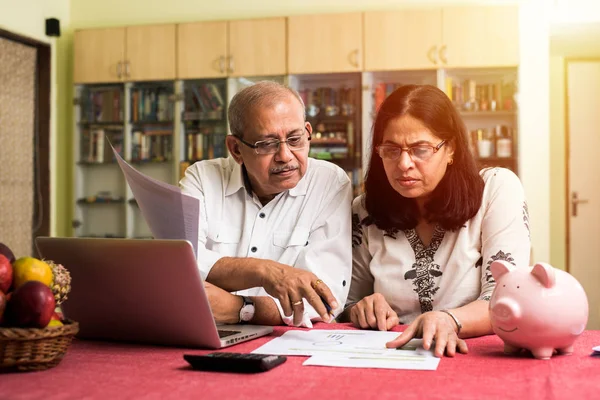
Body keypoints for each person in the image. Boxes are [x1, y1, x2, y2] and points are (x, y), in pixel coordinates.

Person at [344, 84, 531, 357]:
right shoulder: (365, 209)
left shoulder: (496, 189)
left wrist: (450, 319)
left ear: (451, 148)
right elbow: (349, 300)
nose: (404, 163)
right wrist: (361, 309)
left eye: (420, 149)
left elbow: (507, 298)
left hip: (474, 355)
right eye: (391, 149)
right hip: (391, 355)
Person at [179, 81, 353, 328]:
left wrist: (240, 309)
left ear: (307, 131)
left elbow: (325, 299)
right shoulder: (202, 179)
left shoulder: (330, 182)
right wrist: (265, 271)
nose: (285, 156)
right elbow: (181, 266)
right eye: (267, 144)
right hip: (201, 330)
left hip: (285, 341)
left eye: (295, 139)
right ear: (236, 149)